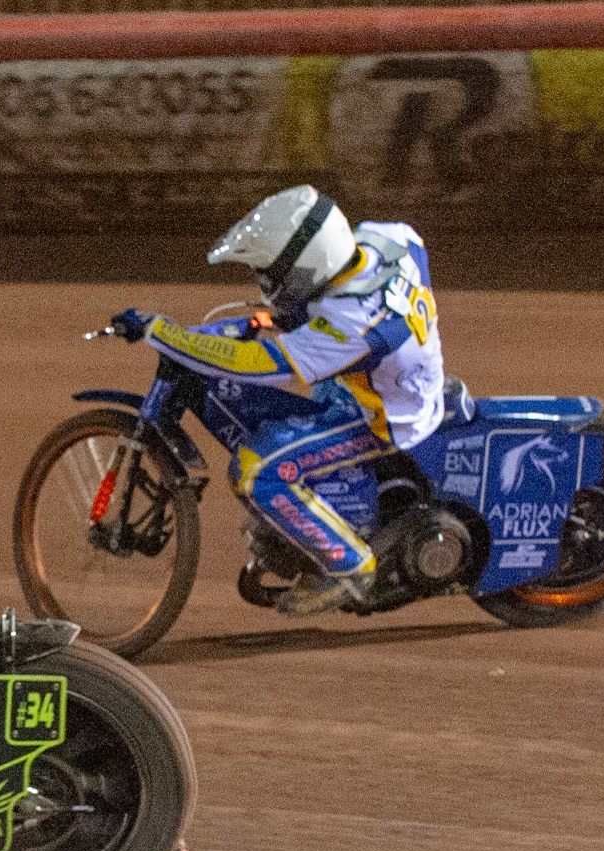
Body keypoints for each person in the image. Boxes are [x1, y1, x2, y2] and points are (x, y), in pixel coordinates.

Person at [112, 184, 446, 616]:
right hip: (381, 380)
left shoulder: (351, 326)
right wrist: (267, 318)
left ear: (307, 268)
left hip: (382, 416)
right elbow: (357, 286)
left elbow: (254, 363)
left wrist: (164, 333)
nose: (265, 283)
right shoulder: (390, 238)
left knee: (257, 469)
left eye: (272, 275)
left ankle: (351, 565)